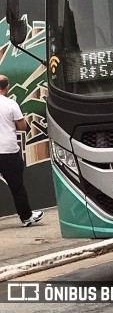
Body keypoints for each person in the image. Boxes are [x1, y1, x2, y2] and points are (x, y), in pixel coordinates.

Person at [0, 75, 43, 227]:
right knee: (17, 187)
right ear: (7, 87)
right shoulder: (11, 104)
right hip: (9, 151)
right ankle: (26, 217)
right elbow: (22, 127)